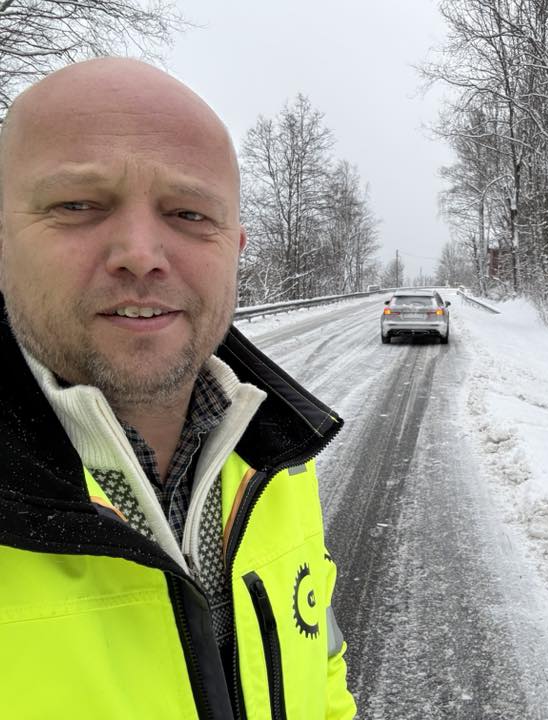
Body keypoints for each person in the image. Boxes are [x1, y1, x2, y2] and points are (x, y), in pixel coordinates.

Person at [0, 58, 356, 719]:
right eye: (78, 205)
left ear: (236, 248)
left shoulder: (272, 458)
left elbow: (323, 670)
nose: (141, 251)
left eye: (190, 214)